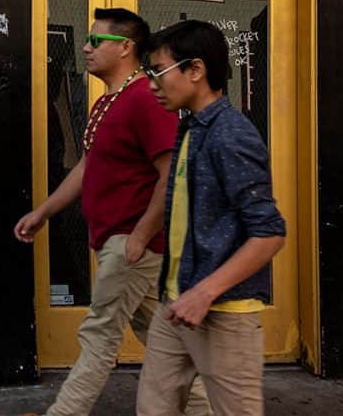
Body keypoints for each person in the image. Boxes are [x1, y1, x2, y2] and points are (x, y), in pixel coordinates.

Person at [14, 8, 209, 416]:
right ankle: (203, 408)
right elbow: (88, 167)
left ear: (125, 48)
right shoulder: (108, 103)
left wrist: (138, 237)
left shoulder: (145, 99)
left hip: (129, 244)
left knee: (98, 337)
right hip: (120, 243)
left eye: (95, 40)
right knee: (163, 339)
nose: (85, 48)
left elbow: (170, 173)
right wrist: (44, 212)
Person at [136, 20, 287, 416]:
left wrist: (204, 293)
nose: (152, 84)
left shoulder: (230, 134)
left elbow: (270, 232)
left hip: (223, 315)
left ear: (196, 70)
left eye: (158, 72)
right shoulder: (192, 128)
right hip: (176, 305)